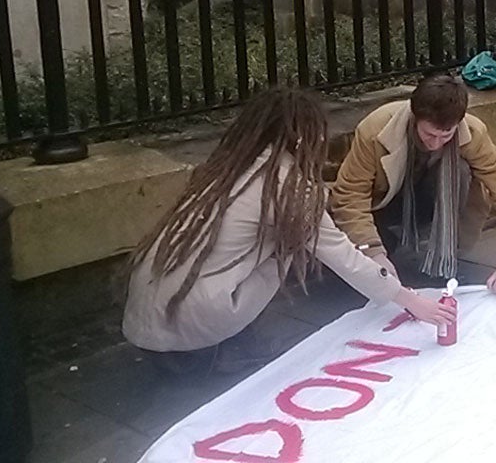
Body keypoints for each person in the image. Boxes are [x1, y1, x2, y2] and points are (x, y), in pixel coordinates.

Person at [122, 88, 454, 374]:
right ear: (300, 137)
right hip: (193, 331)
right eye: (317, 132)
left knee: (277, 238)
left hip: (143, 326)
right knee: (291, 244)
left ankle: (218, 340)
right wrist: (408, 298)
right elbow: (343, 256)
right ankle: (231, 346)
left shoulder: (224, 167)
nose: (323, 140)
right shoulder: (288, 187)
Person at [329, 74, 496, 295]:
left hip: (431, 198)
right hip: (382, 203)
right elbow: (350, 195)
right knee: (352, 273)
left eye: (445, 136)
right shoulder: (374, 130)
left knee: (462, 171)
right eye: (429, 134)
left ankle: (439, 257)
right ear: (415, 117)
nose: (436, 144)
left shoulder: (473, 133)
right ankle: (389, 243)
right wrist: (374, 253)